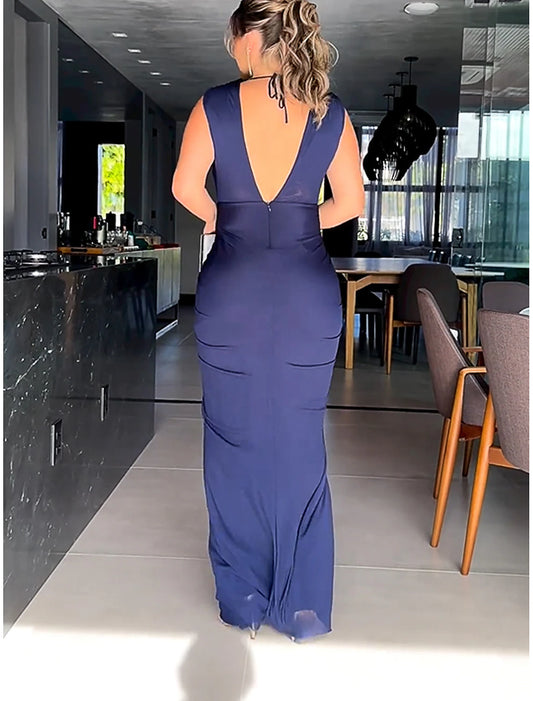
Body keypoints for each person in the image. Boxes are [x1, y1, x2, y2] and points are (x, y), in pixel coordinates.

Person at [172, 0, 364, 642]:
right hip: (307, 293)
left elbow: (184, 186)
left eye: (232, 37)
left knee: (233, 441)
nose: (230, 49)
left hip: (233, 290)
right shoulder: (329, 112)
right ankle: (302, 607)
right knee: (300, 440)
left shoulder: (214, 105)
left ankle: (246, 599)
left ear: (250, 37)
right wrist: (297, 220)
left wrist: (228, 218)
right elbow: (351, 201)